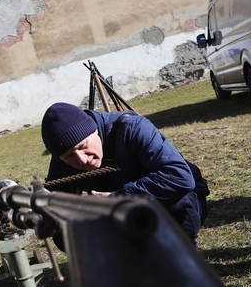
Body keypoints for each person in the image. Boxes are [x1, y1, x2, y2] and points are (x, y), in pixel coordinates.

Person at [40, 102, 209, 246]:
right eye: (69, 156)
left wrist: (118, 198)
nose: (82, 160)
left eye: (83, 146)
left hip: (173, 204)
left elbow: (179, 176)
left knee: (175, 200)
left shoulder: (133, 128)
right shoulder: (62, 160)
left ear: (94, 130)